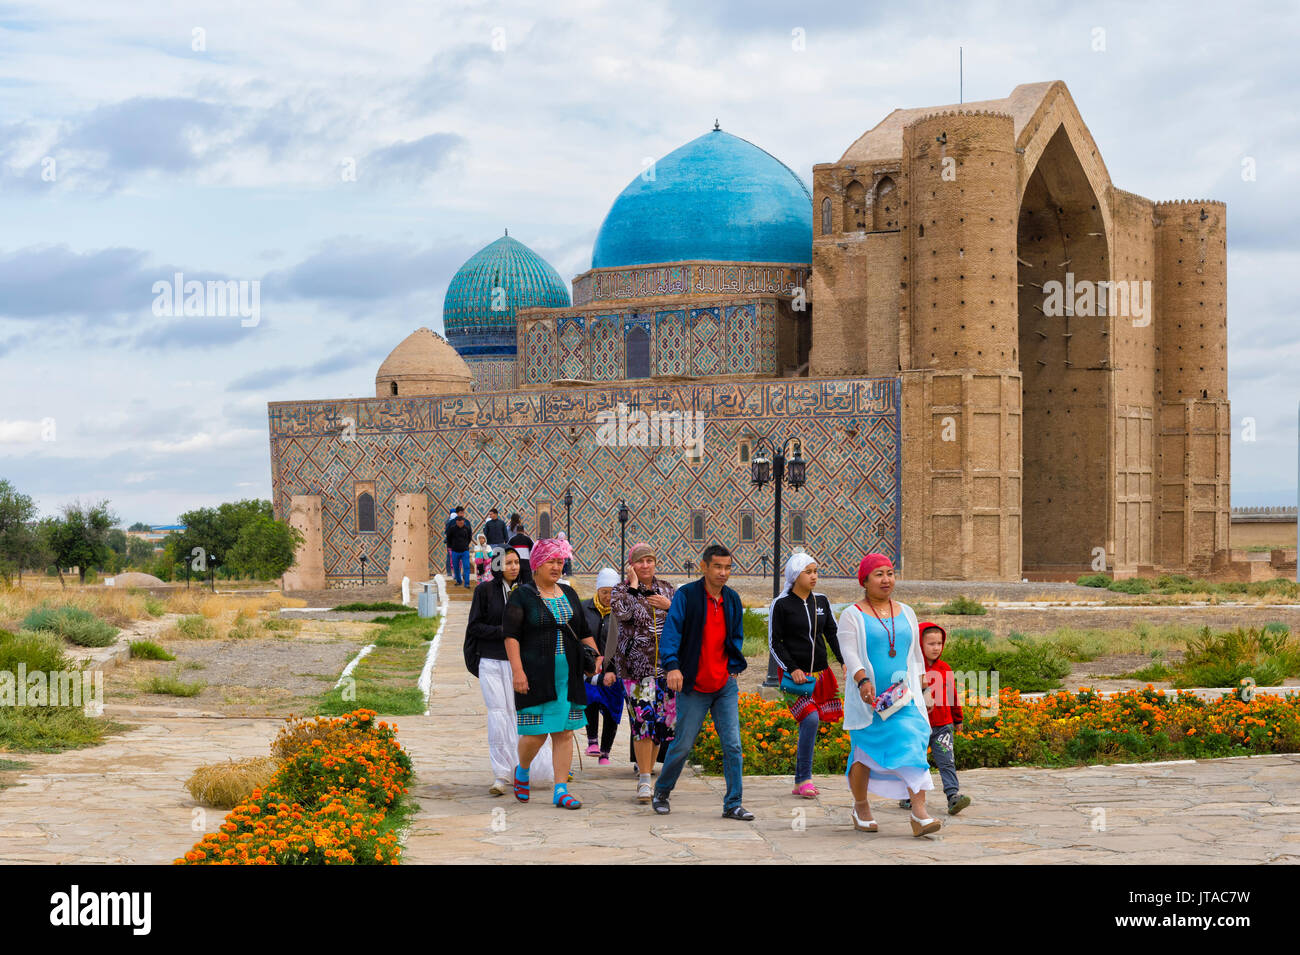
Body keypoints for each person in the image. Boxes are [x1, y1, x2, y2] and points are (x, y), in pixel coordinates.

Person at [838, 552, 940, 837]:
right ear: (865, 580)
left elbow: (916, 656)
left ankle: (919, 814)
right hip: (868, 700)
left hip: (903, 697)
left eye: (890, 573)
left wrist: (925, 688)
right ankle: (861, 806)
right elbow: (850, 652)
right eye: (879, 574)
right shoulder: (852, 615)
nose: (886, 579)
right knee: (862, 755)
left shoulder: (907, 612)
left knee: (915, 739)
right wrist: (862, 680)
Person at [652, 544, 751, 820]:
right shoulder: (687, 596)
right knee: (683, 744)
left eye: (728, 567)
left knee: (733, 744)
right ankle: (661, 791)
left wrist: (733, 666)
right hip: (694, 685)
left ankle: (733, 803)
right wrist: (673, 666)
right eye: (717, 567)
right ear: (704, 567)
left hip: (724, 686)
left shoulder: (731, 600)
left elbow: (736, 636)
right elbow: (672, 633)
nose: (723, 573)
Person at [503, 537, 598, 810]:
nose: (557, 567)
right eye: (551, 561)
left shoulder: (568, 594)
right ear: (536, 564)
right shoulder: (522, 595)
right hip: (535, 674)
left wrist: (596, 656)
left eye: (560, 561)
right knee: (536, 733)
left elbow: (583, 631)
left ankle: (560, 789)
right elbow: (511, 636)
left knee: (565, 732)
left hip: (568, 675)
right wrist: (517, 671)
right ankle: (522, 770)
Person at [464, 547, 554, 793]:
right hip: (492, 662)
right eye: (508, 562)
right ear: (497, 565)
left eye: (516, 562)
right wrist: (505, 632)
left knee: (523, 714)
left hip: (521, 665)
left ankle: (530, 770)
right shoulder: (485, 591)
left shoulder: (528, 591)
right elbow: (475, 627)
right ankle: (502, 774)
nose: (513, 567)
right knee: (499, 716)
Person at [768, 552, 843, 798]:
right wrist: (792, 668)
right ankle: (803, 780)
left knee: (819, 721)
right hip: (793, 678)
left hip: (820, 675)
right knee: (809, 719)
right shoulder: (781, 604)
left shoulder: (821, 601)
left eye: (815, 571)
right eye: (808, 572)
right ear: (794, 575)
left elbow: (832, 634)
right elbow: (774, 643)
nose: (814, 576)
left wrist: (844, 661)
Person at [608, 543, 676, 804]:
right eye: (640, 561)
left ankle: (650, 771)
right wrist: (635, 587)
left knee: (661, 725)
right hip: (636, 670)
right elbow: (624, 614)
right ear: (631, 565)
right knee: (642, 723)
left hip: (666, 668)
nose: (645, 565)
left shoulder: (668, 589)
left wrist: (669, 605)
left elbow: (683, 619)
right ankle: (644, 779)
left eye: (649, 560)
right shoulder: (621, 591)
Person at [899, 622, 971, 815]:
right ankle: (909, 796)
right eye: (931, 643)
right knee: (915, 762)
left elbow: (952, 695)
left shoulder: (944, 668)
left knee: (947, 761)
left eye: (939, 643)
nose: (936, 647)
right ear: (919, 645)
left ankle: (953, 796)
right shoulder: (910, 669)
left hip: (942, 726)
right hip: (917, 727)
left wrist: (957, 718)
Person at [581, 567, 624, 764]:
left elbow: (623, 643)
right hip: (589, 667)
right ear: (597, 590)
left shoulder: (621, 612)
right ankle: (592, 742)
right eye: (604, 592)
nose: (608, 596)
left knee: (611, 709)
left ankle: (605, 750)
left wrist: (613, 670)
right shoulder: (585, 608)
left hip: (614, 670)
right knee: (590, 699)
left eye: (612, 592)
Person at [446, 513, 473, 588]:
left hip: (465, 551)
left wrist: (465, 545)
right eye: (459, 522)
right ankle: (458, 581)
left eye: (462, 522)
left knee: (466, 567)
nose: (460, 524)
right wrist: (451, 547)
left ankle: (467, 583)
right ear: (456, 522)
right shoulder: (452, 529)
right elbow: (449, 538)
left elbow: (469, 538)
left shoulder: (467, 528)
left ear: (463, 521)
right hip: (455, 551)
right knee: (456, 567)